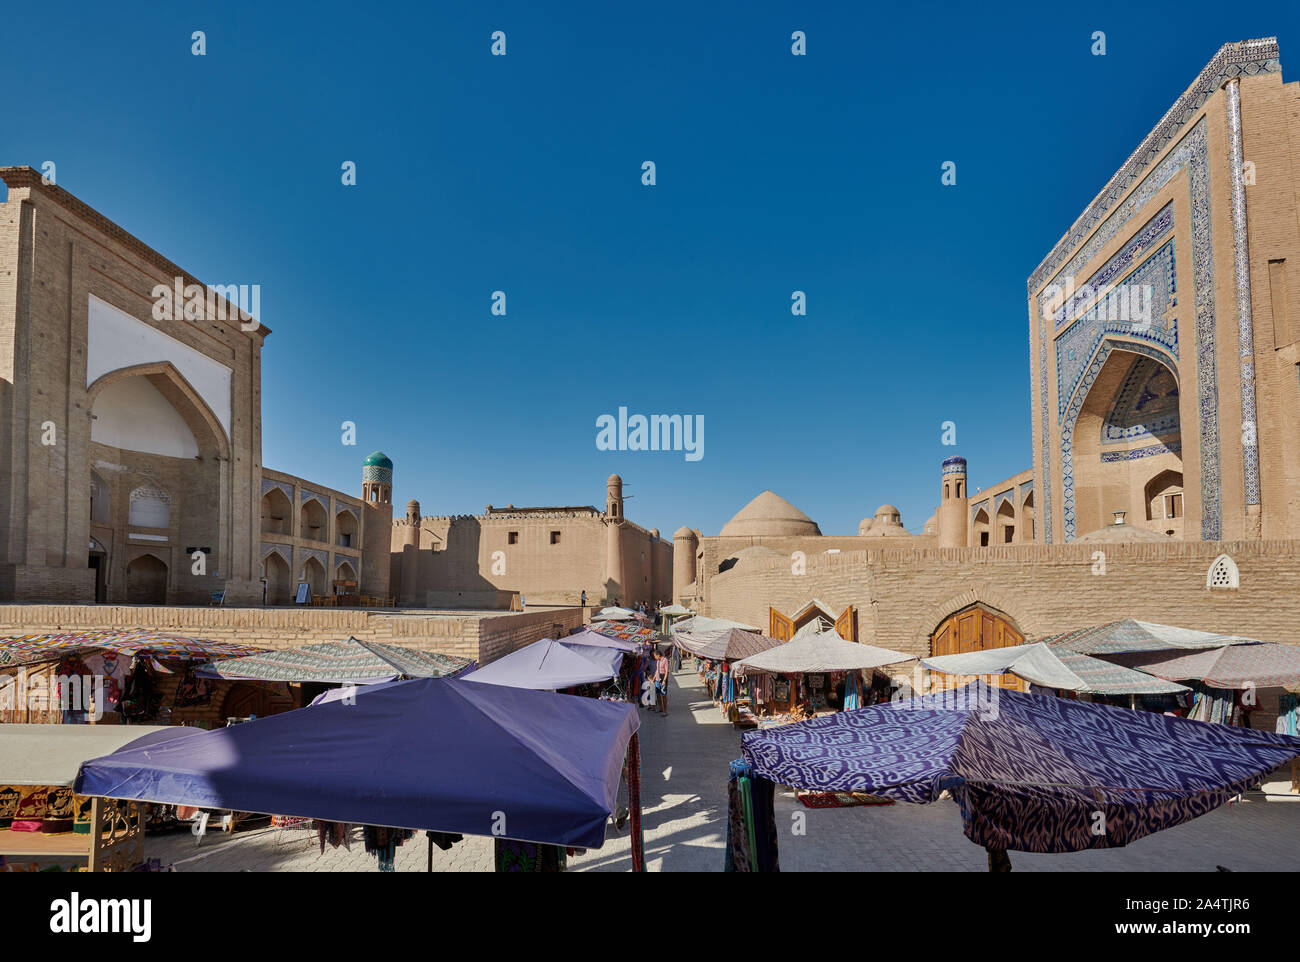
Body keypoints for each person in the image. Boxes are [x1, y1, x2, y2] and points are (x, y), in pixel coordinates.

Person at [653, 645, 671, 716]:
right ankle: (660, 708)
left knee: (663, 695)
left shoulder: (665, 660)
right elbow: (657, 670)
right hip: (657, 679)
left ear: (658, 655)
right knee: (658, 694)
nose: (654, 657)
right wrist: (654, 678)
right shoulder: (658, 661)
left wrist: (664, 680)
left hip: (663, 678)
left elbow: (667, 671)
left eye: (655, 656)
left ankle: (665, 711)